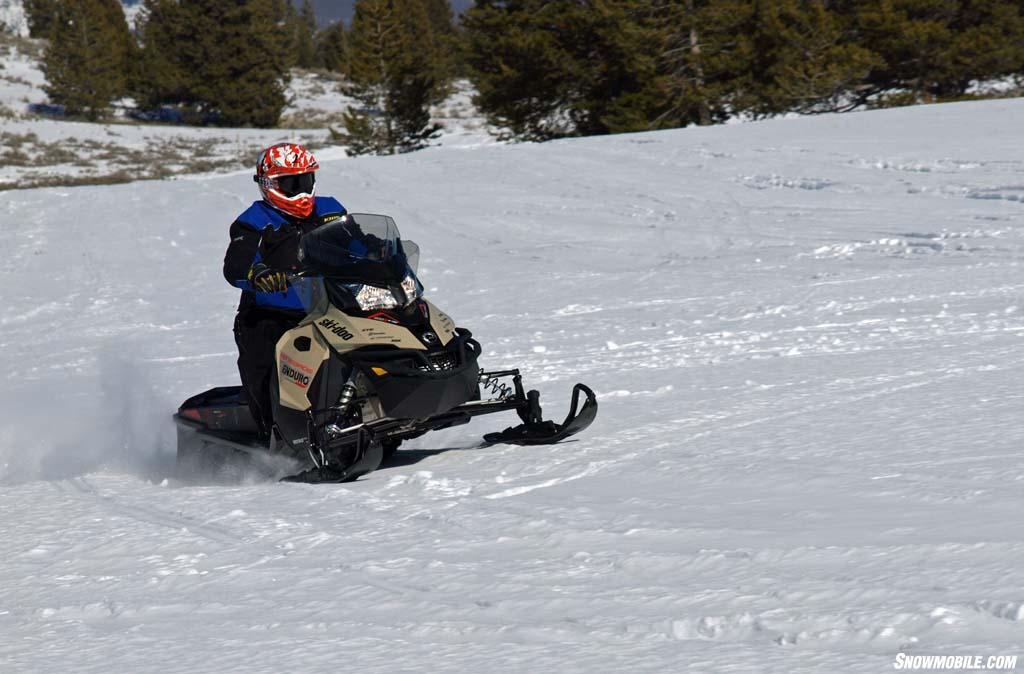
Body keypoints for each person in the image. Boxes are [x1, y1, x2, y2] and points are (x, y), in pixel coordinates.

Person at [223, 142, 347, 437]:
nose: (302, 192)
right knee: (265, 368)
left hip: (328, 305)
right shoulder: (253, 222)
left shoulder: (330, 209)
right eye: (291, 184)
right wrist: (258, 273)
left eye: (305, 181)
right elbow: (236, 264)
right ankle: (275, 436)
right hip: (271, 314)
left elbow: (354, 239)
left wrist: (378, 249)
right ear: (269, 185)